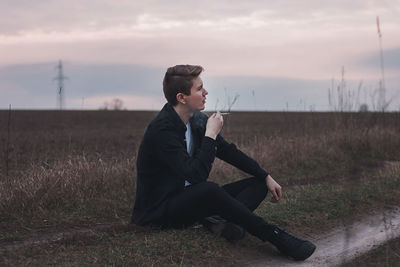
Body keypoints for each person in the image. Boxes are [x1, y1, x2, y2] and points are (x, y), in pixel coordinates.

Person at [131, 64, 316, 261]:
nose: (206, 92)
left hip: (190, 202)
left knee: (258, 184)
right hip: (160, 211)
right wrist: (210, 134)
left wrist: (265, 175)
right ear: (181, 98)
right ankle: (276, 236)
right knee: (208, 190)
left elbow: (228, 151)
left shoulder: (195, 120)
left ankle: (219, 223)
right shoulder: (163, 130)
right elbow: (196, 175)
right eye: (199, 88)